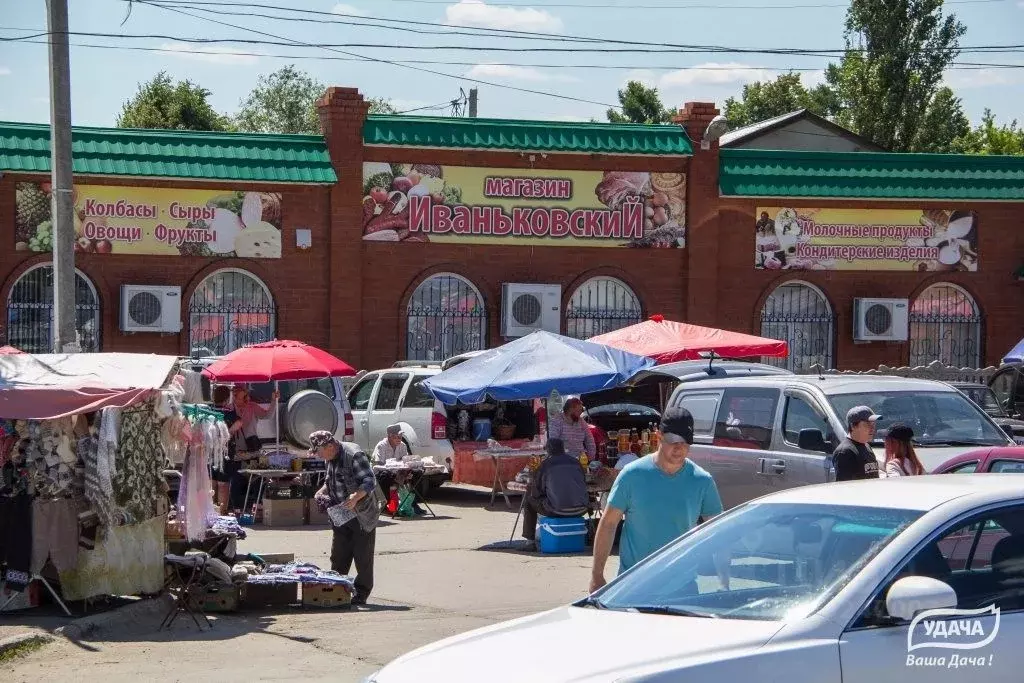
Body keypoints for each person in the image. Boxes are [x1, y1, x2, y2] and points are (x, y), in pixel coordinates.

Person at [590, 408, 723, 593]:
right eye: (672, 441)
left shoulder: (702, 480)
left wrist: (725, 583)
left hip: (683, 587)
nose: (679, 448)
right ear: (658, 437)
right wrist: (597, 575)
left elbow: (719, 532)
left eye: (685, 442)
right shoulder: (632, 475)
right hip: (633, 585)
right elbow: (609, 524)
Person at [310, 430, 379, 605]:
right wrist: (321, 492)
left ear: (330, 446)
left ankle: (361, 593)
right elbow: (329, 481)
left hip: (361, 512)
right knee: (339, 554)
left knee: (362, 556)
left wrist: (356, 497)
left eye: (319, 451)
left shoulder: (354, 455)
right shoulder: (330, 458)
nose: (318, 455)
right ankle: (338, 589)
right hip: (340, 512)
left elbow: (370, 482)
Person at [522, 438, 589, 548]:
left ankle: (530, 542)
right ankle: (592, 534)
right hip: (581, 509)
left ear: (548, 450)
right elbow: (583, 483)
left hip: (557, 510)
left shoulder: (545, 465)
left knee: (529, 501)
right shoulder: (576, 462)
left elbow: (536, 492)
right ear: (563, 449)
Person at [210, 386, 245, 513]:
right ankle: (222, 511)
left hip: (209, 450)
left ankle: (211, 510)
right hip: (225, 451)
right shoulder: (228, 413)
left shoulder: (208, 411)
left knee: (211, 481)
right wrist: (228, 433)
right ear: (226, 398)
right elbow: (240, 422)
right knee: (223, 483)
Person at [833, 406, 881, 481]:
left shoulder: (867, 446)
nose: (872, 428)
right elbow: (844, 487)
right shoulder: (845, 452)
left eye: (873, 424)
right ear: (853, 426)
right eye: (868, 424)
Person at [231, 385, 279, 456]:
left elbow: (267, 416)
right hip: (235, 449)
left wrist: (274, 400)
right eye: (236, 397)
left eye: (241, 398)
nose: (238, 401)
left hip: (251, 446)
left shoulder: (252, 406)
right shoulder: (230, 408)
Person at [549, 397, 596, 461]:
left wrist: (591, 458)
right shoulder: (557, 421)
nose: (581, 413)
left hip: (580, 459)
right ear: (570, 409)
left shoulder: (581, 421)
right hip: (563, 460)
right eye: (579, 410)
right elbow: (553, 442)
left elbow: (590, 440)